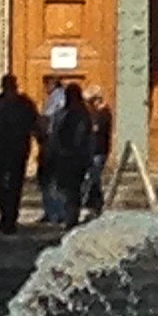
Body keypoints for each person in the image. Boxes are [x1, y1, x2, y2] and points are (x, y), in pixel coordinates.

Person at [0, 72, 42, 233]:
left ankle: (10, 218)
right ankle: (6, 212)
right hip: (1, 146)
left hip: (19, 147)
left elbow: (36, 125)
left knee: (15, 184)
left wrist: (42, 146)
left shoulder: (25, 104)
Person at [39, 81, 94, 228]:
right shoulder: (63, 113)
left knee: (72, 189)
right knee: (67, 188)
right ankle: (67, 216)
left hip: (74, 157)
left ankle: (71, 217)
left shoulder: (82, 115)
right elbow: (54, 133)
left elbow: (82, 137)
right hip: (63, 157)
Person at [81, 92, 115, 220]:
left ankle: (90, 203)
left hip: (99, 151)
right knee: (94, 179)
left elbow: (95, 129)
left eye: (90, 101)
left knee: (91, 178)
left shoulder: (103, 114)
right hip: (93, 151)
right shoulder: (94, 113)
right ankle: (97, 204)